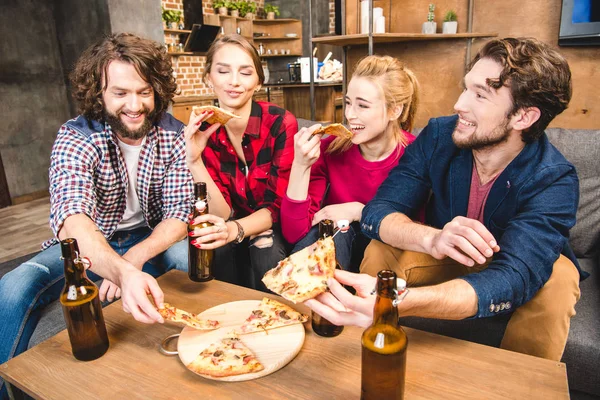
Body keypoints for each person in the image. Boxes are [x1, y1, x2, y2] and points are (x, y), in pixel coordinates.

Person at [306, 37, 585, 361]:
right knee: (384, 246)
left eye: (480, 95)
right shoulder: (440, 134)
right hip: (446, 256)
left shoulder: (554, 178)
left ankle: (520, 387)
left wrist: (395, 299)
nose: (459, 104)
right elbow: (381, 209)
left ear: (523, 117)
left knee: (561, 278)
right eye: (466, 88)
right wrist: (432, 238)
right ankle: (371, 356)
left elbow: (514, 275)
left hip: (509, 262)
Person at [0, 33, 190, 395]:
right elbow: (72, 218)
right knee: (12, 287)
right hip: (89, 242)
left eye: (144, 91)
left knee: (182, 259)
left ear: (157, 90)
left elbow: (179, 213)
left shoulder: (174, 133)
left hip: (146, 238)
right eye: (120, 93)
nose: (134, 105)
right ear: (99, 93)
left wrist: (131, 260)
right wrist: (117, 268)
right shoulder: (76, 136)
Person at [279, 55, 420, 271]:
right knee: (338, 232)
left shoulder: (416, 155)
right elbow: (294, 234)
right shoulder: (331, 149)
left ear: (395, 110)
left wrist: (360, 211)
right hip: (336, 257)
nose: (349, 115)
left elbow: (422, 233)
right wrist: (300, 165)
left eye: (362, 106)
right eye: (347, 103)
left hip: (389, 261)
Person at [184, 34, 298, 291]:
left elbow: (276, 207)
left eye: (245, 73)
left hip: (274, 224)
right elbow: (221, 212)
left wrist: (234, 229)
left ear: (258, 81)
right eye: (223, 71)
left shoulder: (280, 123)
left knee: (264, 248)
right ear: (208, 78)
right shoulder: (204, 130)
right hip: (229, 222)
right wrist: (194, 160)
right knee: (215, 247)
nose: (234, 82)